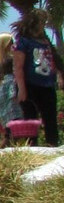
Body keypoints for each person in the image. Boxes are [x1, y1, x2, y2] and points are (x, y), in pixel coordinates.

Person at [12, 8, 63, 147]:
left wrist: (59, 75)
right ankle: (32, 146)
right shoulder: (23, 42)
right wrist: (21, 89)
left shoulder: (45, 41)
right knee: (31, 117)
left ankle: (52, 143)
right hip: (30, 84)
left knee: (50, 116)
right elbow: (18, 66)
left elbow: (53, 60)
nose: (44, 25)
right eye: (42, 22)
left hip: (46, 84)